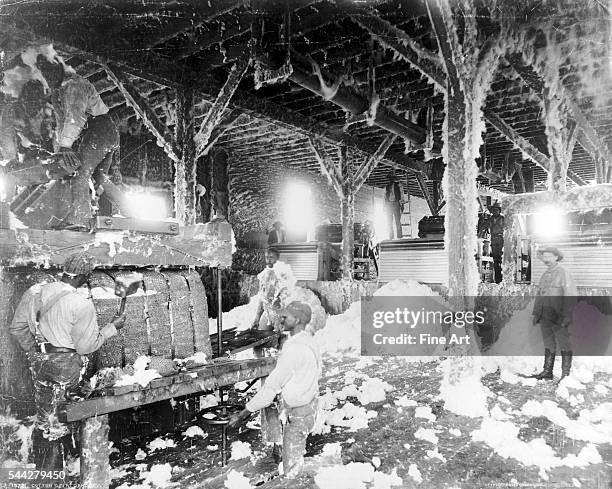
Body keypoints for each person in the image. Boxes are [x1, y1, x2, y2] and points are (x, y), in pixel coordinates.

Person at [9, 251, 126, 470]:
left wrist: (36, 351)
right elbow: (85, 347)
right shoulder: (81, 304)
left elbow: (17, 328)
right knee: (62, 418)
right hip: (66, 364)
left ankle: (44, 473)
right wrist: (111, 328)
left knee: (45, 415)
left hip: (38, 361)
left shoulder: (35, 292)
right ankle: (57, 474)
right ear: (84, 276)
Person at [230, 301, 321, 478]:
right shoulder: (309, 341)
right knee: (295, 457)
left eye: (285, 317)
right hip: (309, 406)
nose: (281, 319)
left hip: (299, 413)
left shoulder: (294, 351)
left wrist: (242, 414)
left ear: (297, 320)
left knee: (292, 470)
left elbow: (269, 391)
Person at [529, 246, 577, 380]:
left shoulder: (563, 273)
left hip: (559, 315)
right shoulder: (544, 275)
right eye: (545, 257)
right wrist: (536, 313)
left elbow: (570, 295)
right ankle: (547, 372)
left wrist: (567, 315)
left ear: (556, 257)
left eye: (549, 256)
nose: (546, 259)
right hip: (545, 315)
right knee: (548, 343)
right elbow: (539, 296)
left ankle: (565, 375)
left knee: (564, 343)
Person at [384, 170, 404, 239]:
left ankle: (399, 236)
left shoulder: (398, 185)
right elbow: (385, 196)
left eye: (391, 177)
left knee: (397, 221)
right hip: (389, 204)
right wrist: (385, 206)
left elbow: (401, 194)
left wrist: (401, 204)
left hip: (396, 204)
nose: (390, 179)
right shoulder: (387, 186)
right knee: (389, 222)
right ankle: (391, 236)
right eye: (389, 178)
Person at [489, 202, 504, 283]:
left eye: (496, 210)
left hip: (500, 238)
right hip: (493, 239)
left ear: (499, 211)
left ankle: (501, 278)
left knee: (500, 258)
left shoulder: (502, 218)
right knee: (495, 260)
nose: (495, 211)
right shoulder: (491, 219)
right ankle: (497, 279)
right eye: (494, 210)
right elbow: (485, 225)